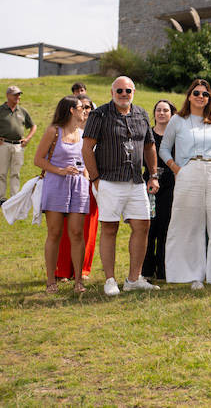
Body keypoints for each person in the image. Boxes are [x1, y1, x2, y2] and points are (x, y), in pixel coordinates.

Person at [81, 76, 160, 296]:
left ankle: (133, 279)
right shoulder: (99, 114)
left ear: (134, 92)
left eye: (128, 91)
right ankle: (110, 280)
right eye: (119, 91)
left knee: (142, 226)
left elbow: (150, 146)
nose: (124, 94)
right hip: (108, 180)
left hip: (136, 181)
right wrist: (95, 179)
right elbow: (87, 148)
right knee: (109, 228)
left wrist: (153, 175)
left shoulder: (141, 114)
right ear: (112, 92)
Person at [160, 80, 211, 289]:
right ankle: (192, 275)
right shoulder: (178, 120)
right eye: (196, 93)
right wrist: (176, 168)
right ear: (189, 95)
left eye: (205, 94)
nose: (200, 97)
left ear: (209, 98)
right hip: (188, 171)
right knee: (189, 225)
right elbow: (164, 148)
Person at [34, 96, 90, 294]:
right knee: (55, 233)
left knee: (77, 233)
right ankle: (51, 281)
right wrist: (60, 170)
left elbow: (86, 162)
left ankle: (78, 281)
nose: (85, 110)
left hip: (79, 187)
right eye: (81, 107)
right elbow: (38, 160)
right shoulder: (53, 131)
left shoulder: (83, 134)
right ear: (71, 110)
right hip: (56, 185)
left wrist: (87, 181)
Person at [55, 94, 100, 282]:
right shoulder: (64, 131)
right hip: (69, 182)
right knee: (67, 229)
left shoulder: (99, 129)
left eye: (88, 107)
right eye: (82, 107)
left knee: (89, 228)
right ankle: (62, 270)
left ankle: (82, 270)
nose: (86, 110)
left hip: (93, 183)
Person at [0, 85, 38, 206]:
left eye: (19, 95)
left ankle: (14, 199)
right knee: (2, 172)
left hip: (18, 146)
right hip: (3, 145)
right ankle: (2, 198)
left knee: (15, 173)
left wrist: (27, 138)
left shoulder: (22, 111)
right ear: (7, 95)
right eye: (15, 95)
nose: (18, 97)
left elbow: (33, 126)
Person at [141, 99, 177, 281]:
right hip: (148, 184)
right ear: (154, 113)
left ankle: (163, 270)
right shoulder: (146, 134)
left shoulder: (176, 136)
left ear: (172, 114)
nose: (161, 113)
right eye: (158, 110)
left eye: (165, 110)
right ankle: (147, 270)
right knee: (149, 227)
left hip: (170, 184)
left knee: (165, 227)